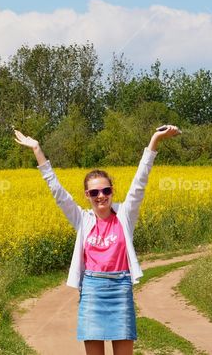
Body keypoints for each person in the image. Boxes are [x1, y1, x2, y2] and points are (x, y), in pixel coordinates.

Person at [13, 124, 182, 355]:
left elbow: (140, 182)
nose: (100, 196)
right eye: (94, 193)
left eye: (105, 191)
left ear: (112, 191)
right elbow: (58, 193)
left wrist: (154, 141)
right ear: (87, 195)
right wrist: (37, 150)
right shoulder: (82, 219)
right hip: (92, 291)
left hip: (120, 289)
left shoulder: (124, 215)